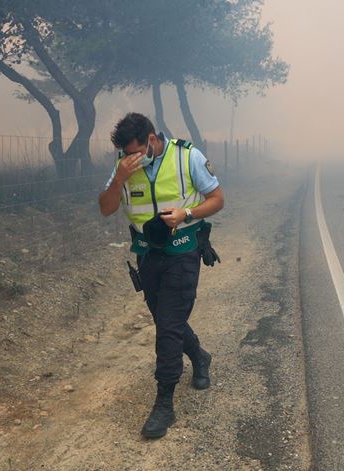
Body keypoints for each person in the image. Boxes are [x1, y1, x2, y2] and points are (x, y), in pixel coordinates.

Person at [98, 113, 224, 439]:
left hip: (183, 251)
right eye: (126, 153)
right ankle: (199, 356)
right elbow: (106, 207)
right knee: (166, 319)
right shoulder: (123, 168)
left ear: (152, 139)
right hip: (147, 255)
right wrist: (118, 179)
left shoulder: (187, 156)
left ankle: (164, 404)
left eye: (136, 151)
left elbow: (217, 199)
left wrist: (188, 213)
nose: (130, 158)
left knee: (168, 326)